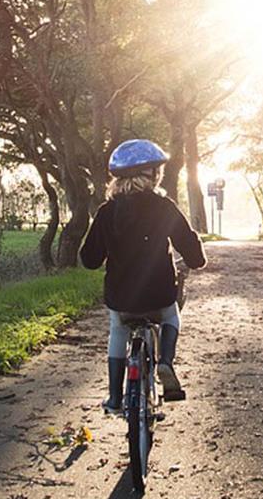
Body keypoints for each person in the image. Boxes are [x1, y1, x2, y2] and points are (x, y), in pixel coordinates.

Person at [81, 139, 207, 414]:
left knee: (118, 328)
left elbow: (88, 260)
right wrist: (195, 257)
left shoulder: (107, 212)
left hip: (121, 297)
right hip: (159, 294)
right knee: (171, 315)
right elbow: (194, 255)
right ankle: (166, 363)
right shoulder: (165, 207)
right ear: (152, 175)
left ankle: (115, 397)